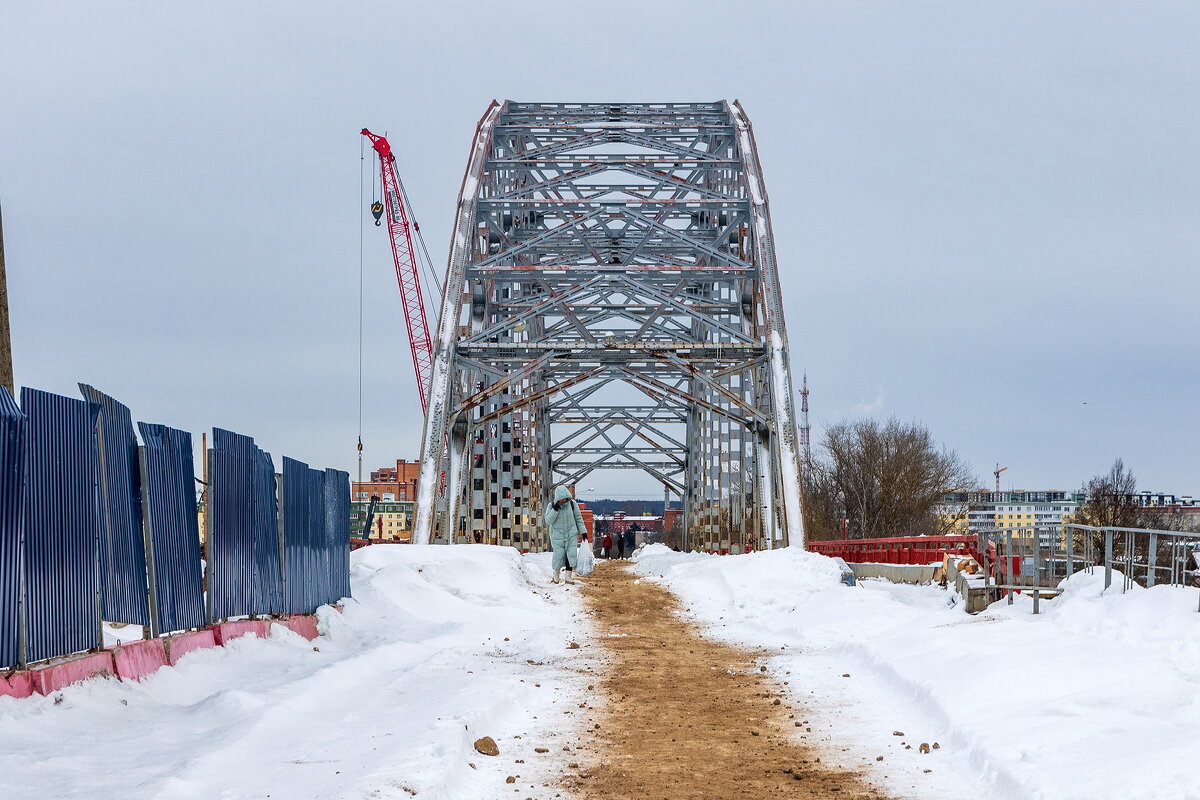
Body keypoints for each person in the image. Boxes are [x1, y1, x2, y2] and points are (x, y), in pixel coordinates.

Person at [544, 485, 585, 584]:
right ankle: (556, 576)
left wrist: (583, 532)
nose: (563, 500)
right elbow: (548, 521)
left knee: (570, 555)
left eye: (565, 498)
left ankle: (568, 577)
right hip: (557, 535)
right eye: (561, 499)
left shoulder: (572, 504)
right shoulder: (551, 506)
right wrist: (555, 509)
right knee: (558, 555)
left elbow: (578, 518)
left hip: (571, 534)